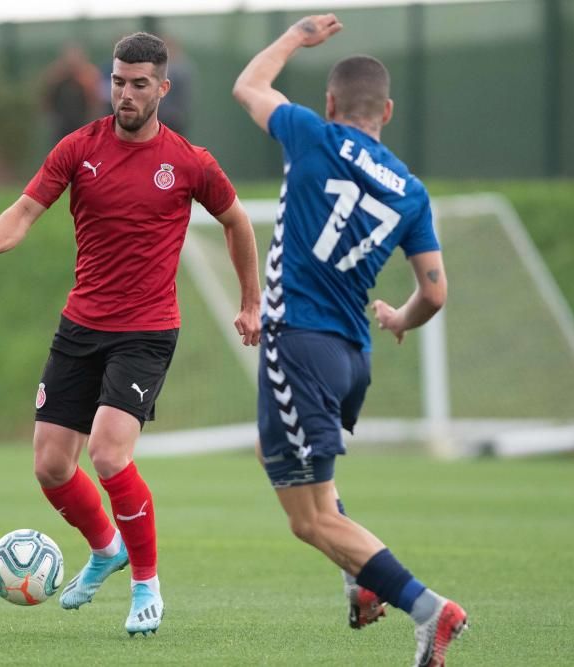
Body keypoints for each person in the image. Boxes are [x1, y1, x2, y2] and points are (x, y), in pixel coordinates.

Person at [0, 32, 261, 636]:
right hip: (81, 324)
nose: (124, 94)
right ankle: (105, 547)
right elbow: (25, 210)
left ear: (163, 88)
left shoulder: (189, 161)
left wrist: (251, 300)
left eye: (139, 84)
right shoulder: (79, 147)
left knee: (106, 452)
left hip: (147, 330)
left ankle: (147, 585)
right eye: (118, 82)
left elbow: (236, 221)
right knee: (51, 465)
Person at [232, 14, 467, 666]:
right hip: (349, 355)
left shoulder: (311, 134)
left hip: (298, 343)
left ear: (331, 104)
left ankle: (429, 608)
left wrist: (295, 38)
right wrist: (399, 318)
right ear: (387, 110)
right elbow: (435, 292)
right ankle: (363, 581)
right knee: (272, 453)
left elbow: (248, 85)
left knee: (309, 519)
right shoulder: (413, 193)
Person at [42, 45, 103, 143]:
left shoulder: (88, 75)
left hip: (82, 122)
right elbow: (47, 98)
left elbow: (95, 101)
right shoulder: (57, 76)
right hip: (61, 124)